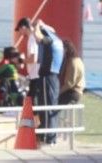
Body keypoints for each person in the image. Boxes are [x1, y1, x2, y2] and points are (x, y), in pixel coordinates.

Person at [15, 17, 64, 146]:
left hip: (46, 76)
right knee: (48, 106)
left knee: (45, 107)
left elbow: (37, 36)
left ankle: (46, 137)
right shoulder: (56, 39)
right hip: (52, 76)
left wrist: (38, 25)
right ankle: (49, 136)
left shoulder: (47, 40)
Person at [14, 18, 40, 107]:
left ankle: (36, 120)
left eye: (20, 30)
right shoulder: (34, 37)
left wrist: (20, 60)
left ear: (24, 27)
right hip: (36, 74)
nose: (20, 33)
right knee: (32, 100)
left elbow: (33, 59)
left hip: (35, 74)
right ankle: (36, 120)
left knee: (32, 101)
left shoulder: (32, 39)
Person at [58, 39, 85, 105]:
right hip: (74, 91)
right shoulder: (77, 60)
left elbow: (69, 83)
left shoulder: (73, 62)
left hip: (72, 93)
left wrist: (58, 93)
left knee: (52, 104)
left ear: (66, 49)